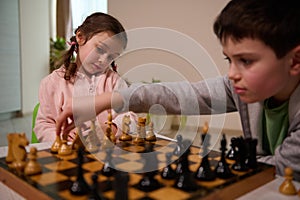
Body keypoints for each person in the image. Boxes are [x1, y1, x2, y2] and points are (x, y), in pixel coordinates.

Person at [56, 0, 300, 180]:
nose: (233, 73)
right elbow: (182, 95)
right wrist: (103, 100)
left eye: (246, 61)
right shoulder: (239, 87)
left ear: (294, 61)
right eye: (229, 60)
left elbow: (283, 168)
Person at [35, 12, 136, 142]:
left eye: (111, 57)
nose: (103, 60)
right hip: (69, 154)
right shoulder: (52, 83)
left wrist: (112, 129)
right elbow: (44, 124)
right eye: (100, 49)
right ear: (80, 37)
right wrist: (62, 138)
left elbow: (130, 117)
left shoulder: (114, 82)